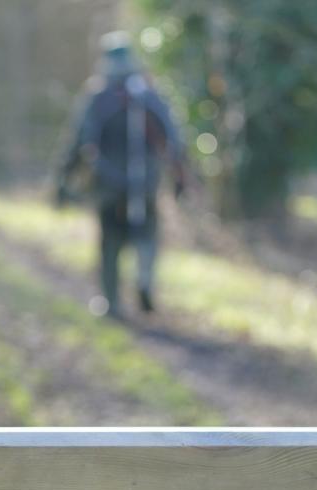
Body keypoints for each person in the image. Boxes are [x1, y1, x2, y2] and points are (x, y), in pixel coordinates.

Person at [57, 31, 188, 318]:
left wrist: (64, 180)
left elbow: (80, 139)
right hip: (146, 183)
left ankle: (111, 301)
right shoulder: (150, 93)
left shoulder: (97, 95)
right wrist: (179, 177)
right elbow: (174, 137)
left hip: (108, 183)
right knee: (147, 236)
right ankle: (144, 280)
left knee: (110, 244)